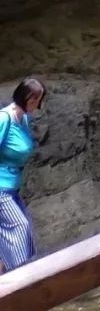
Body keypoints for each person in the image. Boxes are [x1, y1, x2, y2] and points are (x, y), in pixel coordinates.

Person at [0, 78, 45, 271]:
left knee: (16, 237)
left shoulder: (24, 118)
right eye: (36, 100)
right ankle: (20, 281)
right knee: (20, 227)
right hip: (1, 189)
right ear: (26, 98)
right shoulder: (4, 119)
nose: (38, 105)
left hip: (12, 188)